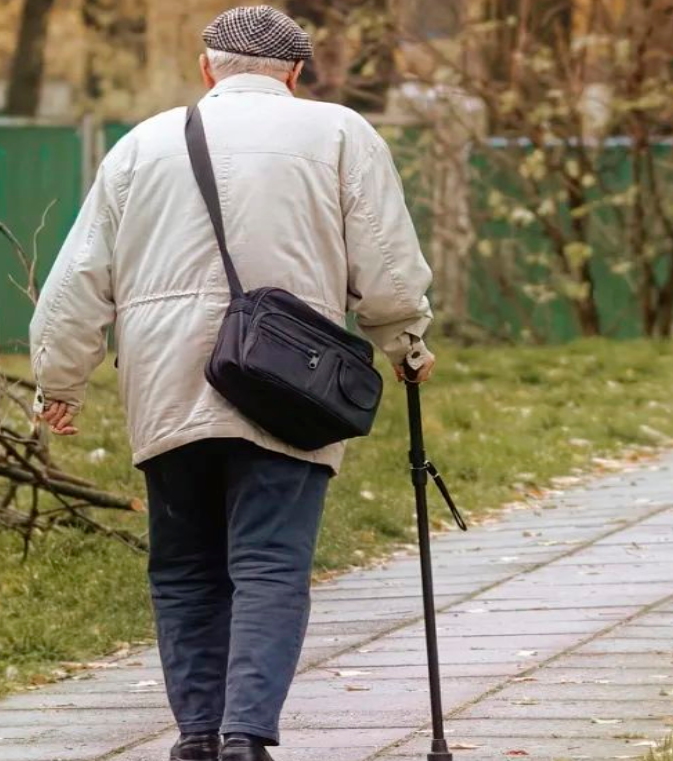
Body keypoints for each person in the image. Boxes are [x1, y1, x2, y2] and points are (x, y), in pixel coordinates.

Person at [28, 6, 436, 761]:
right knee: (271, 565)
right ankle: (246, 736)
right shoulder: (341, 133)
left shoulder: (140, 146)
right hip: (287, 382)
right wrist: (403, 340)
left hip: (166, 384)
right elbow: (382, 258)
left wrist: (61, 379)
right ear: (295, 73)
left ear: (207, 68)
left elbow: (82, 273)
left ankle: (194, 738)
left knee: (183, 568)